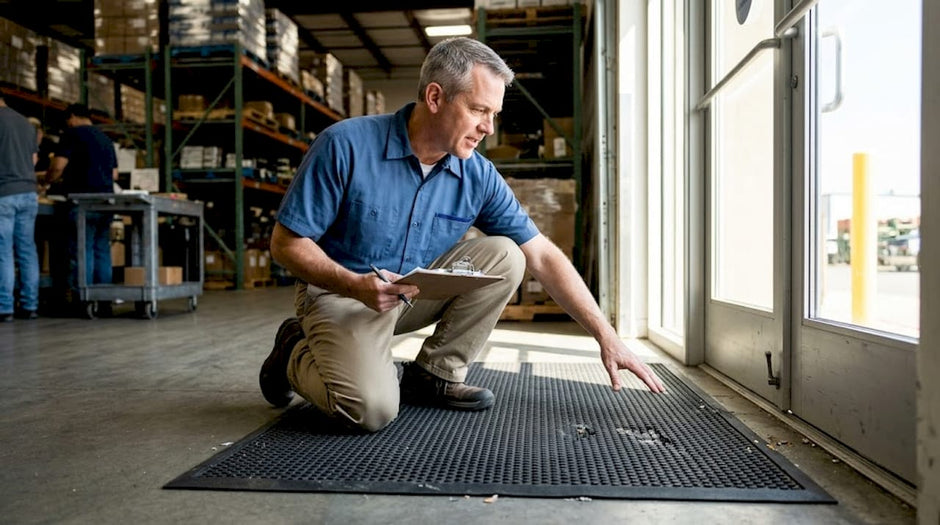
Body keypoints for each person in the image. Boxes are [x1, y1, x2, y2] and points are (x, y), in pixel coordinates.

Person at [261, 37, 665, 433]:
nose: (488, 127)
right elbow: (285, 244)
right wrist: (353, 284)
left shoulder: (476, 173)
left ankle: (434, 374)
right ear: (435, 97)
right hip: (342, 295)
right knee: (369, 411)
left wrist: (606, 336)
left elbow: (541, 254)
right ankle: (293, 350)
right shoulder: (345, 145)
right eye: (478, 110)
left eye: (494, 114)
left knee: (509, 254)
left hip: (409, 294)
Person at [43, 103, 118, 299]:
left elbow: (58, 166)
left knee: (83, 250)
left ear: (73, 117)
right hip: (107, 201)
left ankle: (83, 297)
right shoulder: (106, 139)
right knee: (101, 249)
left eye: (68, 120)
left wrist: (46, 180)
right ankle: (104, 297)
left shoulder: (72, 134)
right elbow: (115, 174)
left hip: (83, 201)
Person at [0, 95, 40, 322]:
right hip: (28, 193)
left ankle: (4, 307)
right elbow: (33, 159)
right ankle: (30, 305)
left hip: (4, 192)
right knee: (27, 250)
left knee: (3, 251)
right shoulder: (25, 123)